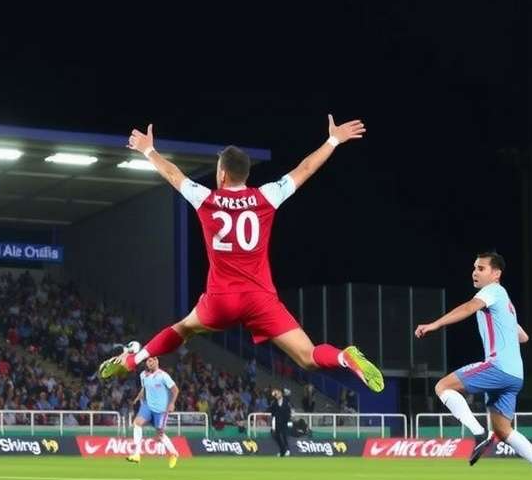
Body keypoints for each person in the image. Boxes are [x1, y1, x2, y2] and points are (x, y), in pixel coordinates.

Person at [98, 116, 384, 396]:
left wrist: (148, 149)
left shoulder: (205, 198)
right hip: (260, 299)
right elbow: (306, 168)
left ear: (221, 174)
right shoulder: (267, 196)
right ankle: (344, 358)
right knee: (308, 356)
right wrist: (334, 139)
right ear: (246, 174)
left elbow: (174, 174)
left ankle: (133, 360)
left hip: (222, 299)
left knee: (183, 328)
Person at [414, 252, 532, 480]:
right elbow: (524, 337)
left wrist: (434, 325)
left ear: (496, 274)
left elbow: (469, 308)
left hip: (498, 367)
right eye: (474, 267)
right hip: (515, 376)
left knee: (442, 386)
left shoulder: (492, 291)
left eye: (481, 268)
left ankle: (478, 432)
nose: (475, 272)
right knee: (504, 431)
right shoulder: (505, 303)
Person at [126, 356, 180, 468]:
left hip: (161, 410)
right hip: (148, 406)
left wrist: (172, 403)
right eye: (148, 361)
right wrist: (137, 398)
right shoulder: (143, 375)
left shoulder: (163, 376)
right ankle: (136, 454)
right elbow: (144, 388)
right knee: (137, 423)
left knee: (159, 434)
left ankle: (174, 454)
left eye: (152, 360)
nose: (149, 363)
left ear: (157, 361)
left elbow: (175, 390)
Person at [268, 388, 292, 456]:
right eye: (276, 394)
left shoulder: (286, 401)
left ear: (281, 394)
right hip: (277, 422)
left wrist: (287, 419)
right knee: (277, 437)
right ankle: (282, 451)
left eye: (278, 393)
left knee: (284, 436)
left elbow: (288, 412)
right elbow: (271, 410)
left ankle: (287, 450)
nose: (277, 395)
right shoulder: (274, 402)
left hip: (284, 422)